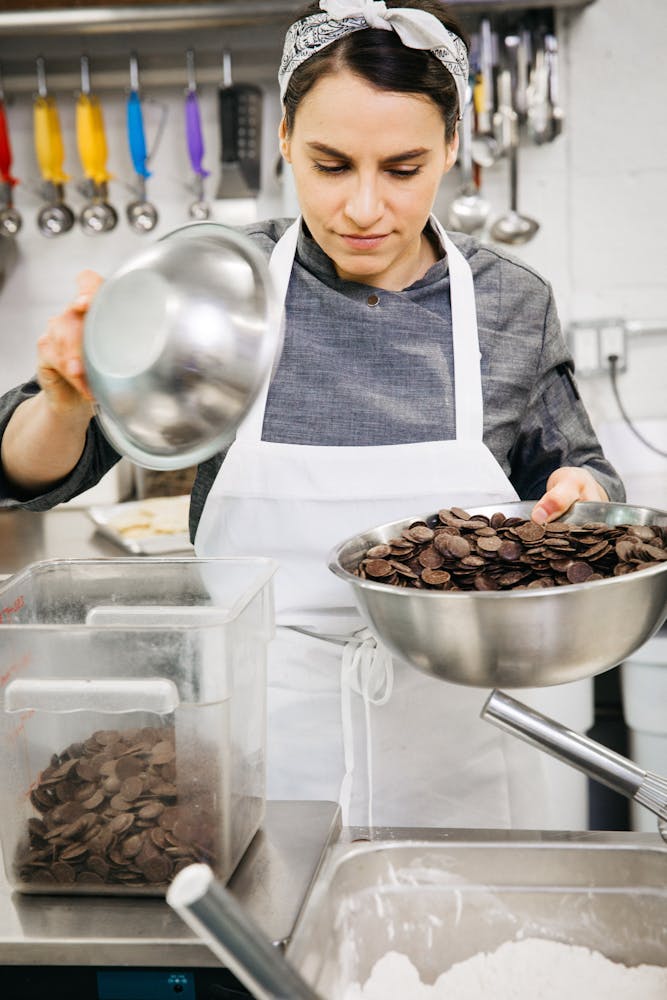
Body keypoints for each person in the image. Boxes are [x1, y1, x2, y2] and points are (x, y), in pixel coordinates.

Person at [0, 0, 624, 829]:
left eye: (402, 169)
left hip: (460, 742)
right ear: (286, 139)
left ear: (449, 147)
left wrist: (577, 497)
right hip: (254, 739)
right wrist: (66, 403)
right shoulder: (216, 284)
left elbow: (577, 478)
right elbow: (30, 473)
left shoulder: (510, 302)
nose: (364, 209)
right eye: (331, 165)